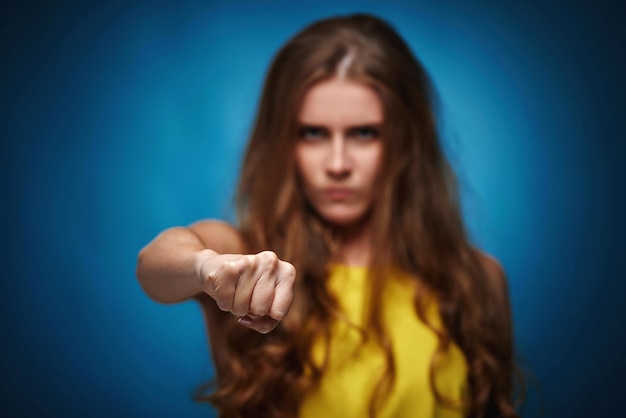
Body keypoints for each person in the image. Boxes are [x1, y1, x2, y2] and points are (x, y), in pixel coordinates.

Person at [136, 13, 521, 418]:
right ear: (285, 142)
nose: (338, 163)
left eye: (364, 133)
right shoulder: (247, 258)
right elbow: (153, 267)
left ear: (405, 143)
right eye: (313, 133)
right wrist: (206, 267)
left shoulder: (478, 280)